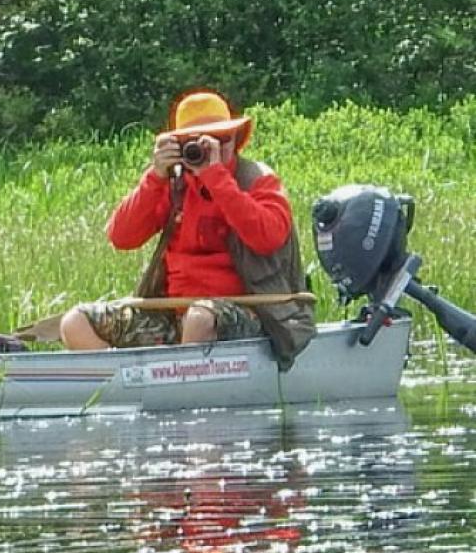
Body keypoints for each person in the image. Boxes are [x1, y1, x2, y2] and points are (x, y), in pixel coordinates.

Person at [54, 91, 316, 358]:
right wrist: (155, 177)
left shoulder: (258, 180)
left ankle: (183, 383)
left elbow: (268, 237)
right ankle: (129, 385)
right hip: (175, 312)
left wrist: (216, 178)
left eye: (220, 139)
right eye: (196, 142)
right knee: (75, 322)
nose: (210, 148)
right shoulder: (173, 185)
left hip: (250, 312)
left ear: (235, 139)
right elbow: (122, 237)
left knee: (199, 319)